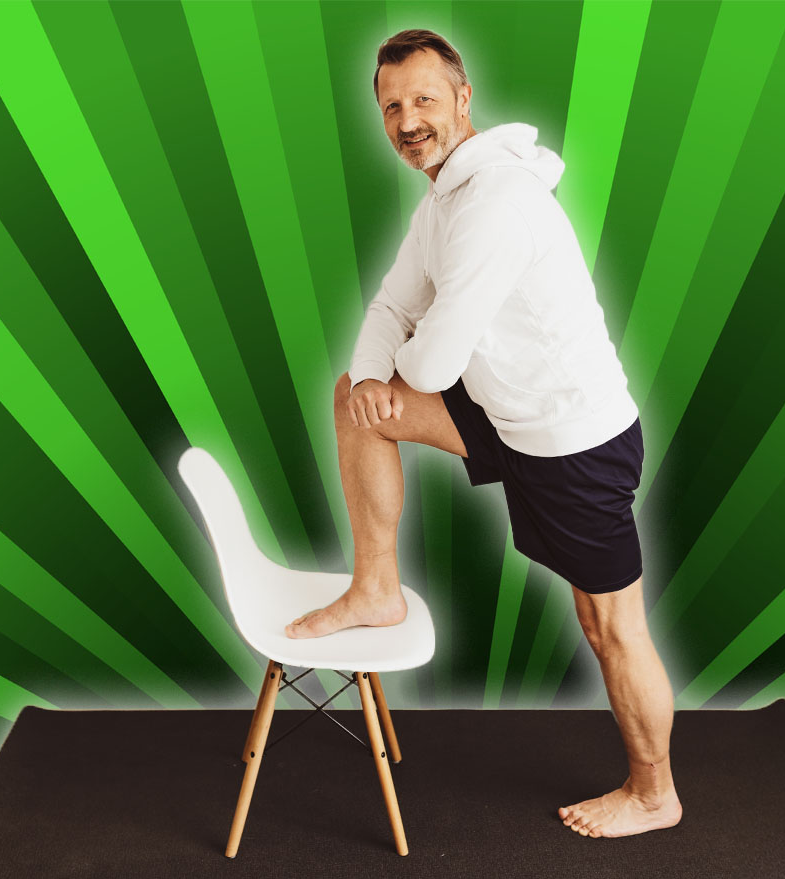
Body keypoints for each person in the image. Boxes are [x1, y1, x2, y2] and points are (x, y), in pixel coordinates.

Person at [284, 28, 682, 840]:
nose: (407, 119)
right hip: (509, 418)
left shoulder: (496, 200)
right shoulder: (445, 200)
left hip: (575, 444)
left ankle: (654, 792)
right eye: (392, 106)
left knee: (610, 627)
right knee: (351, 399)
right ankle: (376, 585)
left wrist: (397, 368)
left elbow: (428, 370)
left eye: (424, 99)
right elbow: (392, 308)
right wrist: (368, 377)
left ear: (463, 98)